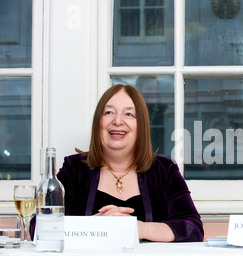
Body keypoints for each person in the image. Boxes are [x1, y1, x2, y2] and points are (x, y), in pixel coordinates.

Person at [35, 84, 204, 242]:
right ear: (98, 123)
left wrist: (138, 228)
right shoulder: (74, 169)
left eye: (129, 114)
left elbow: (193, 229)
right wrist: (95, 226)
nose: (117, 121)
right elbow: (38, 227)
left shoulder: (165, 170)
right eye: (109, 112)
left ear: (141, 125)